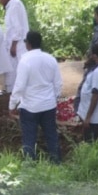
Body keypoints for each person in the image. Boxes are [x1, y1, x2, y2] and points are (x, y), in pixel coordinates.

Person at [9, 31, 61, 161]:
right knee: (51, 136)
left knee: (29, 138)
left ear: (28, 44)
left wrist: (12, 104)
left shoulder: (25, 61)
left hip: (30, 106)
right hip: (49, 105)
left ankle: (30, 166)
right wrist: (53, 98)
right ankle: (56, 162)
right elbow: (58, 84)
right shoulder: (50, 59)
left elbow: (19, 86)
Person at [0, 0, 29, 93]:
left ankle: (19, 92)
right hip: (13, 43)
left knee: (19, 68)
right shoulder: (11, 5)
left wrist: (14, 45)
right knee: (11, 69)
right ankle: (10, 91)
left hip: (18, 44)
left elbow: (18, 28)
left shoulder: (15, 5)